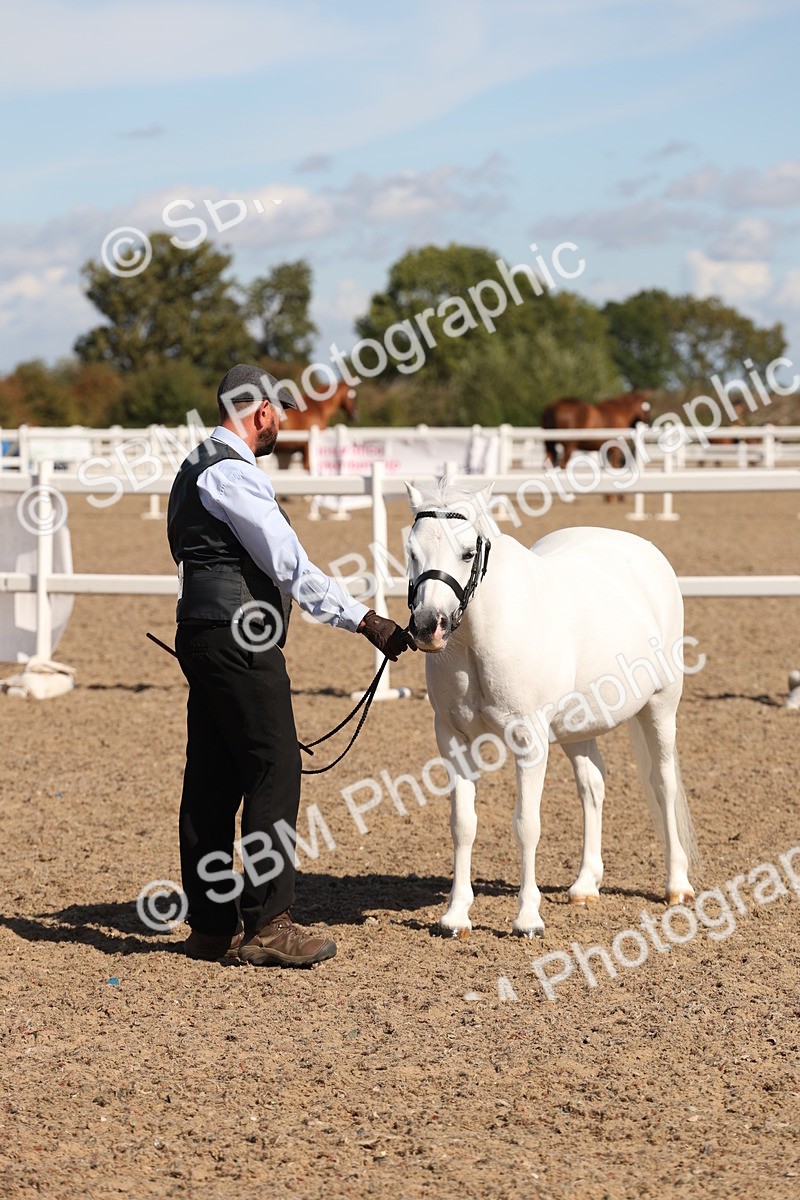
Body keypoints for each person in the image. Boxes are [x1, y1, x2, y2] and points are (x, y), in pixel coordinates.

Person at [166, 364, 414, 967]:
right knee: (274, 769)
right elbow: (291, 566)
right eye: (278, 411)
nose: (282, 422)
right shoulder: (232, 473)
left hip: (199, 631)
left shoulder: (193, 466)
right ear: (259, 411)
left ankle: (209, 926)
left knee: (211, 779)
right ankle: (269, 924)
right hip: (239, 639)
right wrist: (364, 620)